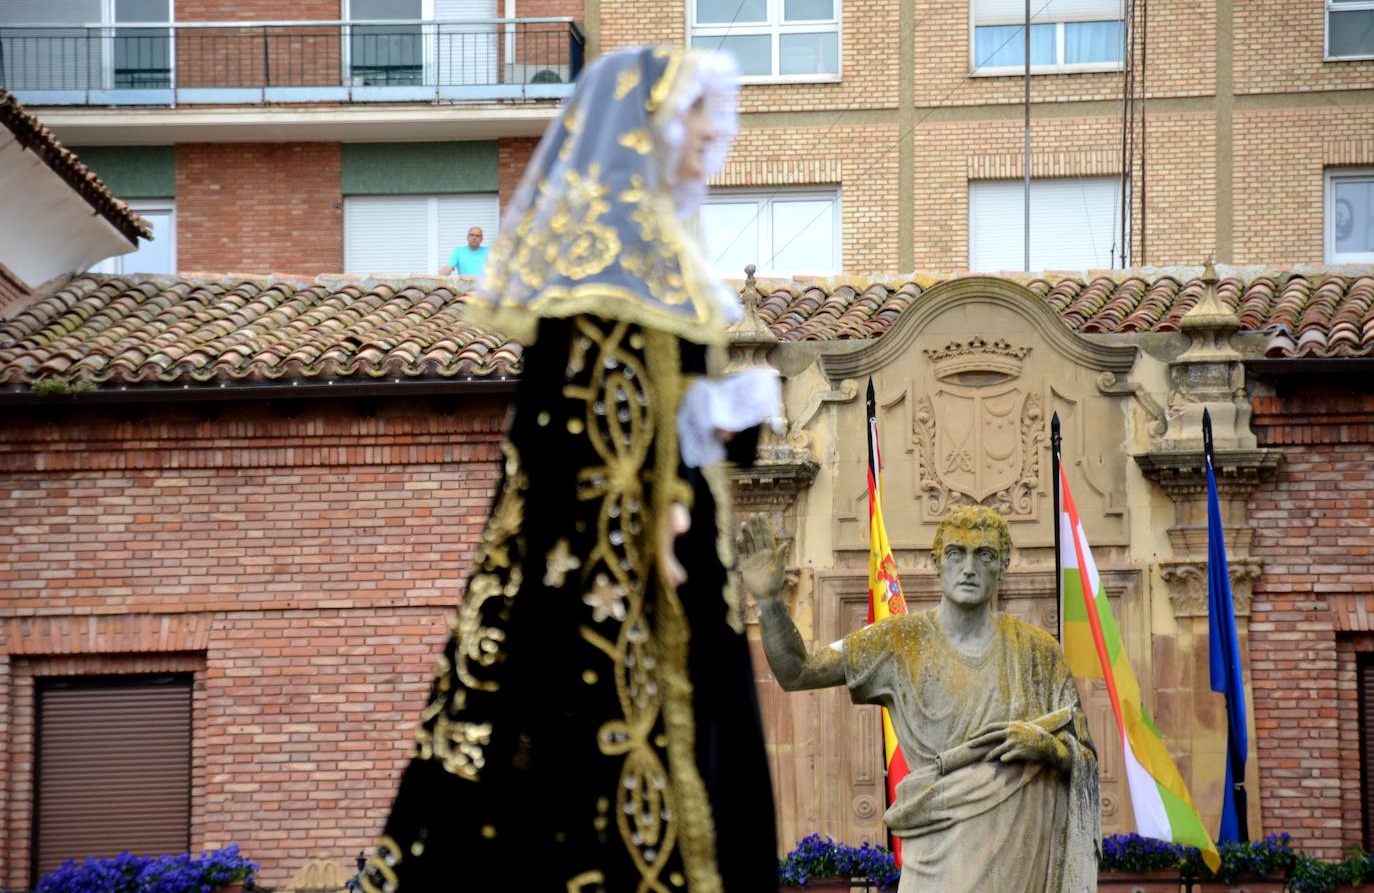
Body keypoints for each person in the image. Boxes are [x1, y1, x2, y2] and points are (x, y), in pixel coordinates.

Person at [361, 45, 782, 893]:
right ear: (650, 126)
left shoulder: (673, 260)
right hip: (611, 570)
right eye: (696, 113)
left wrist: (728, 419)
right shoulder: (594, 263)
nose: (713, 132)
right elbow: (567, 431)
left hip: (686, 564)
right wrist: (654, 514)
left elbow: (672, 417)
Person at [741, 505, 1100, 893]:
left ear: (1004, 565)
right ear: (936, 562)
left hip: (1021, 862)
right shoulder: (899, 642)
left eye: (985, 555)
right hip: (936, 858)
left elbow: (1082, 755)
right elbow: (798, 672)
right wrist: (769, 603)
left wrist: (1048, 747)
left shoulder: (1038, 653)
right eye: (956, 553)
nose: (969, 567)